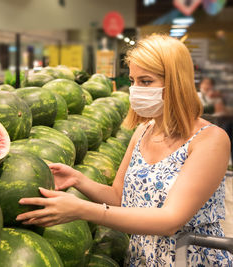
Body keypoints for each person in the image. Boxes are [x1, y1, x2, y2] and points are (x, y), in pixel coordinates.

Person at [16, 34, 232, 266]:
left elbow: (170, 220)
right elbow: (120, 198)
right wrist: (78, 179)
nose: (135, 89)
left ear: (176, 83)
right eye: (132, 81)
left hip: (187, 259)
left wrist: (82, 210)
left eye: (146, 81)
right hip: (141, 258)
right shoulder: (143, 131)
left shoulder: (210, 141)